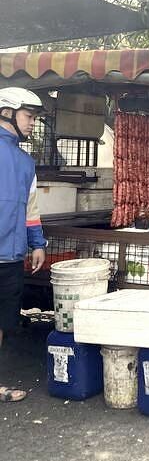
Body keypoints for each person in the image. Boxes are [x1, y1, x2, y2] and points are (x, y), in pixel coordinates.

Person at [0, 88, 46, 403]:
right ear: (7, 113)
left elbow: (30, 209)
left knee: (3, 322)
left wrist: (37, 243)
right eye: (29, 117)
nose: (32, 124)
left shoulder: (26, 162)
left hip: (11, 257)